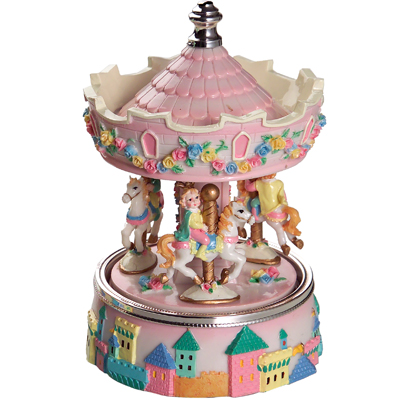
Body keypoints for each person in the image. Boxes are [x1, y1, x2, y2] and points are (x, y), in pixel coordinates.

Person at [174, 188, 210, 261]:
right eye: (190, 200)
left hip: (197, 229)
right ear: (185, 202)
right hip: (192, 231)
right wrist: (202, 226)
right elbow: (193, 224)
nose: (195, 201)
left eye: (196, 197)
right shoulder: (190, 213)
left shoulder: (196, 210)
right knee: (206, 240)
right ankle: (200, 253)